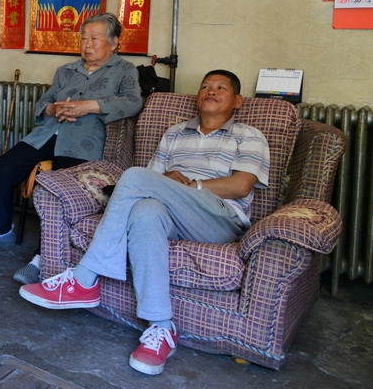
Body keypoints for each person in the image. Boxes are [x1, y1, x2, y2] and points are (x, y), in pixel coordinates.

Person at [19, 70, 269, 376]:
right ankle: (161, 328)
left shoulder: (249, 135)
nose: (211, 91)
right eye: (205, 86)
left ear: (238, 101)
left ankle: (84, 278)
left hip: (218, 218)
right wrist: (166, 182)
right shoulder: (175, 133)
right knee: (144, 212)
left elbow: (241, 186)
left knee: (135, 176)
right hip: (170, 212)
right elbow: (151, 182)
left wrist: (191, 186)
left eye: (221, 88)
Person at [0, 13, 142, 284]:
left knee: (57, 193)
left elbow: (133, 102)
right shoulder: (66, 71)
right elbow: (43, 103)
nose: (87, 44)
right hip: (48, 134)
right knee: (2, 168)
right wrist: (54, 108)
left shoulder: (125, 71)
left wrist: (88, 106)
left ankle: (40, 261)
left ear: (114, 42)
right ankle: (1, 231)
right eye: (83, 38)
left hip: (84, 142)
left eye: (95, 38)